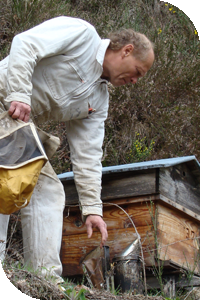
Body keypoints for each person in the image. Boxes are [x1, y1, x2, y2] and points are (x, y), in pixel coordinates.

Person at [0, 16, 154, 282]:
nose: (134, 81)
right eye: (137, 72)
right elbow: (25, 44)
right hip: (6, 101)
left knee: (46, 189)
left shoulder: (99, 100)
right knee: (8, 176)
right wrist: (20, 94)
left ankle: (44, 280)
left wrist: (92, 208)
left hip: (16, 126)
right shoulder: (81, 35)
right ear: (126, 50)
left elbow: (88, 155)